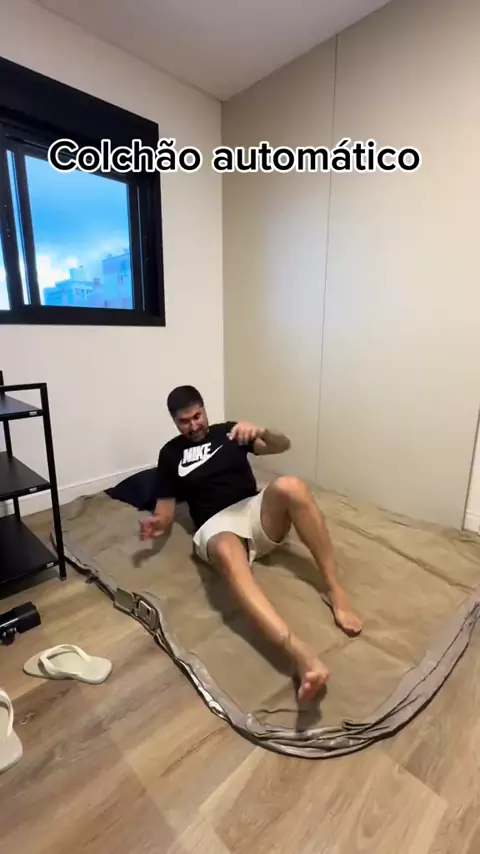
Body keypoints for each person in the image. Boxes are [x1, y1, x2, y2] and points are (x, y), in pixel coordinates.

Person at [140, 385, 362, 702]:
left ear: (204, 410)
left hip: (254, 512)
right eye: (184, 421)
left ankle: (334, 588)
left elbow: (282, 445)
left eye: (197, 416)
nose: (193, 425)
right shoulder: (170, 454)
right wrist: (157, 524)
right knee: (225, 550)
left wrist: (263, 431)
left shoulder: (230, 432)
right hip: (216, 526)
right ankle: (301, 655)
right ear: (175, 422)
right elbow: (164, 510)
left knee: (292, 485)